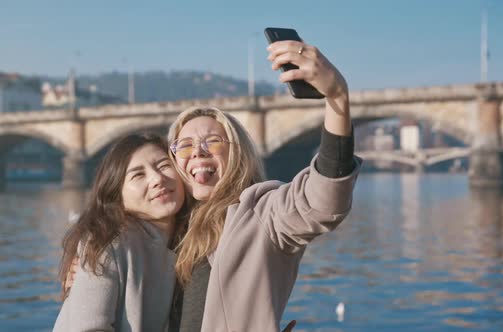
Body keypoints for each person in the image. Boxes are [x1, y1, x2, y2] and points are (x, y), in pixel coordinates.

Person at [167, 39, 361, 331]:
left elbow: (322, 200)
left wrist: (336, 97)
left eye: (213, 141)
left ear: (238, 152)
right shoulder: (169, 226)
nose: (197, 151)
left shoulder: (262, 213)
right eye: (184, 146)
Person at [53, 133, 188, 331]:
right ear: (116, 194)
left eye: (163, 165)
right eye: (138, 175)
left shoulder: (194, 238)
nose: (157, 179)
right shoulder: (108, 244)